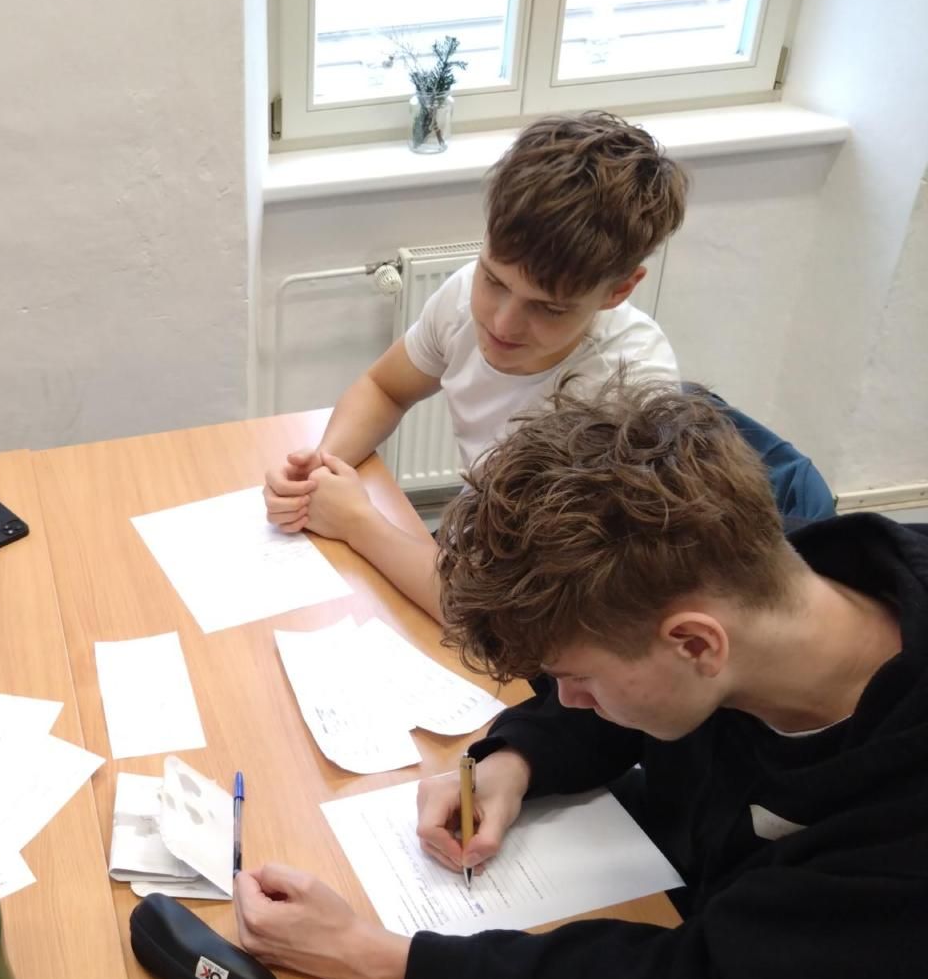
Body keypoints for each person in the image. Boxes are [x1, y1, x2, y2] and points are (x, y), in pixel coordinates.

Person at [236, 379, 928, 979]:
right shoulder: (757, 582)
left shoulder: (904, 825)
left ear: (696, 643)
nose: (567, 699)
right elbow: (635, 693)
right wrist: (516, 758)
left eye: (580, 680)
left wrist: (387, 963)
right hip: (714, 892)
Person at [262, 112, 687, 621]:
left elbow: (493, 612)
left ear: (619, 290)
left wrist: (357, 522)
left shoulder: (623, 400)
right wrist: (321, 473)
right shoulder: (464, 295)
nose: (502, 323)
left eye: (548, 308)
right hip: (473, 552)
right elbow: (385, 388)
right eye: (494, 280)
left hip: (541, 615)